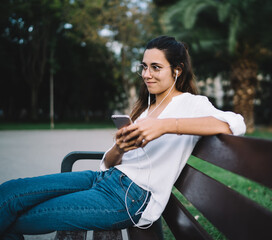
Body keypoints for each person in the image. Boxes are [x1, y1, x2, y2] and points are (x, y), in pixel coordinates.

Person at [0, 36, 246, 239]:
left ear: (177, 71)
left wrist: (166, 126)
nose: (147, 74)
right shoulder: (146, 109)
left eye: (156, 67)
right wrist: (119, 147)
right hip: (104, 179)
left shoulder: (191, 104)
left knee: (20, 217)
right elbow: (110, 161)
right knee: (9, 193)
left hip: (131, 198)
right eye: (144, 67)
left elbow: (236, 124)